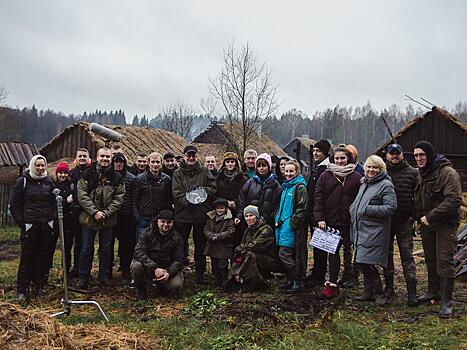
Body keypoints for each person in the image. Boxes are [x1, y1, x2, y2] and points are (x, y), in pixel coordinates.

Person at [413, 141, 462, 318]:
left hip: (445, 224)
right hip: (427, 225)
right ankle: (433, 291)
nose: (419, 158)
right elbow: (419, 199)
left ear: (430, 155)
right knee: (431, 259)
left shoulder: (447, 173)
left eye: (422, 155)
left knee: (444, 261)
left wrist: (431, 216)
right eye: (416, 155)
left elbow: (454, 200)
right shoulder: (422, 174)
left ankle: (446, 301)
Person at [313, 146, 362, 297]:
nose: (340, 161)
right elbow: (318, 198)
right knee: (332, 252)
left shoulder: (356, 176)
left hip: (350, 221)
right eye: (337, 158)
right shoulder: (325, 176)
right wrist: (320, 218)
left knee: (353, 251)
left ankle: (353, 278)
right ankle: (333, 283)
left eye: (343, 158)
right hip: (330, 221)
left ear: (349, 158)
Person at [350, 155, 397, 305]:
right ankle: (368, 292)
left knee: (367, 261)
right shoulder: (365, 184)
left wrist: (368, 209)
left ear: (381, 169)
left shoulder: (385, 185)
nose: (371, 170)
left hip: (374, 230)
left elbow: (391, 207)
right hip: (361, 229)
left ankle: (379, 293)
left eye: (375, 167)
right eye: (369, 167)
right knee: (362, 261)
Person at [76, 147, 125, 289]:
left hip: (108, 219)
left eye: (107, 157)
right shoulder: (87, 174)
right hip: (89, 218)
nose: (104, 159)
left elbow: (119, 198)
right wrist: (94, 212)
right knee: (86, 249)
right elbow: (82, 195)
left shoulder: (117, 177)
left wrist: (106, 213)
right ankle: (83, 277)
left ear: (111, 159)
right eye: (102, 156)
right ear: (97, 157)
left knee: (106, 248)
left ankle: (104, 277)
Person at [10, 155, 56, 300]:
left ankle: (39, 286)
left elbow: (54, 202)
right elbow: (14, 205)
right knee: (27, 257)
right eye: (38, 165)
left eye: (43, 165)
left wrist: (51, 219)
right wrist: (23, 224)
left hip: (46, 225)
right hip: (30, 225)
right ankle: (22, 289)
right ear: (32, 165)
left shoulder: (49, 181)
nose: (41, 168)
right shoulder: (22, 181)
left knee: (43, 256)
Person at [172, 145, 217, 284]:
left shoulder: (204, 171)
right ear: (184, 156)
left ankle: (200, 273)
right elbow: (176, 192)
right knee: (180, 245)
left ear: (197, 157)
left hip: (200, 215)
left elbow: (213, 187)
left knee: (200, 246)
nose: (191, 158)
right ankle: (178, 272)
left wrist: (202, 193)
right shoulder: (178, 173)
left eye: (193, 156)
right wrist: (189, 200)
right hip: (183, 215)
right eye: (188, 156)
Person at [384, 143, 419, 306]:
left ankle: (412, 292)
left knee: (407, 256)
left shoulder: (413, 173)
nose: (394, 156)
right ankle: (389, 288)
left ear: (402, 155)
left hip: (405, 222)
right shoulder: (382, 172)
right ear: (387, 155)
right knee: (386, 255)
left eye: (397, 153)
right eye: (392, 153)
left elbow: (418, 197)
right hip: (386, 221)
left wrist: (414, 216)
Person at [130, 210, 184, 299]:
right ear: (157, 221)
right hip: (149, 267)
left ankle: (162, 285)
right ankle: (141, 289)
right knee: (136, 266)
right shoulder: (147, 233)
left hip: (167, 268)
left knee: (176, 286)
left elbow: (179, 259)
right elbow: (139, 251)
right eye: (163, 222)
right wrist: (154, 268)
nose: (165, 225)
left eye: (169, 222)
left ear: (173, 223)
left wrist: (169, 272)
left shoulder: (177, 237)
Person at [275, 160, 308, 293]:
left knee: (284, 254)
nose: (288, 174)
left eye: (291, 171)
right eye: (286, 171)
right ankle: (290, 280)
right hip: (282, 225)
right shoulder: (286, 187)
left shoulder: (299, 187)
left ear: (297, 172)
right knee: (286, 254)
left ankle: (297, 281)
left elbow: (302, 208)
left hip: (290, 227)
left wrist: (292, 222)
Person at [228, 206, 280, 291]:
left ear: (257, 216)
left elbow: (255, 246)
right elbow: (241, 246)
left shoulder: (266, 229)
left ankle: (253, 283)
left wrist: (243, 249)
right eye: (247, 216)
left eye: (251, 215)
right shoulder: (248, 230)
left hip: (270, 260)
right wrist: (240, 250)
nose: (249, 218)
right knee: (238, 253)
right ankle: (235, 277)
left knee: (249, 255)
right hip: (255, 256)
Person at [305, 139, 331, 286]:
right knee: (316, 245)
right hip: (313, 213)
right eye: (314, 151)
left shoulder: (326, 169)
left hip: (320, 215)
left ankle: (319, 275)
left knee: (321, 246)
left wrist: (320, 215)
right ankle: (315, 272)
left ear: (325, 153)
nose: (315, 153)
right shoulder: (318, 168)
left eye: (318, 151)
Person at [132, 152, 173, 241]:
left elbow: (169, 200)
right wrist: (137, 218)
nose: (155, 164)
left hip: (160, 219)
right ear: (148, 163)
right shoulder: (139, 179)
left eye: (157, 162)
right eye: (153, 162)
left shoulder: (167, 180)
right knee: (142, 245)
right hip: (144, 218)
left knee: (159, 245)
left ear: (161, 163)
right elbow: (134, 200)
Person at [238, 153, 282, 229]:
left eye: (264, 166)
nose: (261, 168)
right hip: (250, 222)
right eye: (259, 166)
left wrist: (271, 217)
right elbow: (242, 199)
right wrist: (245, 214)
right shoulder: (250, 182)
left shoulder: (276, 185)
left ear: (269, 167)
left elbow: (278, 204)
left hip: (268, 223)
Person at [112, 152, 136, 283]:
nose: (118, 164)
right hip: (112, 214)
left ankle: (126, 268)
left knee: (127, 244)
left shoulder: (131, 178)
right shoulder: (108, 177)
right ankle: (107, 271)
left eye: (120, 162)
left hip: (127, 215)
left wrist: (133, 214)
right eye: (116, 162)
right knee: (108, 243)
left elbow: (133, 198)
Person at [51, 162, 77, 280]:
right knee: (49, 247)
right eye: (60, 173)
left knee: (66, 248)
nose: (63, 175)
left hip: (68, 222)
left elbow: (74, 201)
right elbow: (52, 202)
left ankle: (65, 271)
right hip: (54, 220)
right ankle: (46, 271)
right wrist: (65, 201)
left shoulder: (71, 186)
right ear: (57, 174)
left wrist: (67, 203)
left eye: (65, 173)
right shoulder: (52, 186)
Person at [215, 152, 247, 245]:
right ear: (224, 163)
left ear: (236, 163)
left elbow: (243, 196)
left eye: (232, 162)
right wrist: (226, 202)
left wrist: (235, 204)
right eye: (228, 162)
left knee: (236, 238)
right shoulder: (218, 177)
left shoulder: (242, 178)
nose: (230, 164)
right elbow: (214, 194)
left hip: (236, 211)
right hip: (221, 211)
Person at [69, 148, 91, 278]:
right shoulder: (72, 173)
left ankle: (85, 270)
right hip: (74, 212)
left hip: (86, 212)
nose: (82, 158)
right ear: (76, 158)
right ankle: (76, 268)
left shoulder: (91, 172)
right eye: (80, 156)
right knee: (77, 243)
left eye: (84, 156)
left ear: (88, 157)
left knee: (86, 244)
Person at [203, 198, 235, 287]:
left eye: (222, 208)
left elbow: (231, 231)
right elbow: (206, 229)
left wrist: (219, 236)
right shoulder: (211, 218)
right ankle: (217, 279)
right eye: (218, 208)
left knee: (223, 264)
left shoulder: (229, 219)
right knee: (214, 264)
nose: (219, 210)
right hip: (213, 245)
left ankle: (224, 280)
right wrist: (211, 236)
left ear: (226, 209)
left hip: (224, 246)